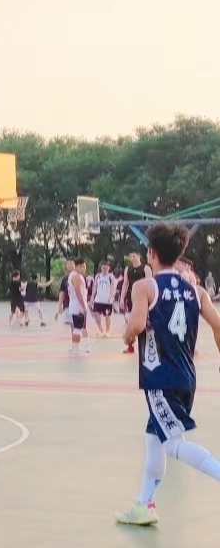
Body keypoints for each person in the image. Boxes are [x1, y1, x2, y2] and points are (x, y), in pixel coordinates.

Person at [115, 224, 220, 526]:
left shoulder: (145, 287)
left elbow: (136, 326)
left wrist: (127, 336)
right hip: (186, 377)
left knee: (173, 444)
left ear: (151, 253)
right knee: (154, 439)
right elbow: (218, 325)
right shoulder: (197, 291)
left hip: (159, 378)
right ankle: (143, 505)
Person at [120, 252, 153, 354]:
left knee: (144, 321)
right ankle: (130, 346)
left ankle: (146, 345)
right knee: (130, 321)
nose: (132, 258)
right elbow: (125, 284)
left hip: (143, 296)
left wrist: (150, 298)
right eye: (130, 256)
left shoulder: (146, 268)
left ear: (139, 256)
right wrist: (122, 298)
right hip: (131, 296)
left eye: (134, 256)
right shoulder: (127, 269)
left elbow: (150, 282)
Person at [67, 258, 90, 356]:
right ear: (76, 267)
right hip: (78, 305)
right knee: (78, 328)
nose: (83, 268)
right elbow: (78, 292)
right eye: (81, 267)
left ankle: (74, 348)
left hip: (75, 304)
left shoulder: (73, 275)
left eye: (84, 266)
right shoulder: (76, 276)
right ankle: (76, 350)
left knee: (78, 328)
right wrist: (83, 306)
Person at [90, 262, 118, 337]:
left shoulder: (111, 277)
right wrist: (92, 297)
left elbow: (113, 288)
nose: (104, 269)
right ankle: (101, 330)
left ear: (109, 268)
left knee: (107, 316)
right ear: (101, 268)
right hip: (98, 299)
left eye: (106, 268)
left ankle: (107, 331)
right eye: (103, 268)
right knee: (96, 314)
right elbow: (95, 287)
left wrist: (111, 297)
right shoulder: (98, 276)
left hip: (107, 300)